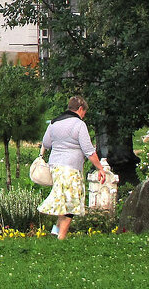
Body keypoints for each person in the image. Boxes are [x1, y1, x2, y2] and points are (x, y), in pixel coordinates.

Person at [37, 95, 106, 239]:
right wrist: (100, 168)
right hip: (71, 169)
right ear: (80, 109)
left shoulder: (54, 123)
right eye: (84, 112)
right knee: (71, 203)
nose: (84, 115)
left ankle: (54, 232)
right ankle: (61, 238)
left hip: (55, 166)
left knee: (64, 200)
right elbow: (88, 150)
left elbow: (46, 143)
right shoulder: (79, 124)